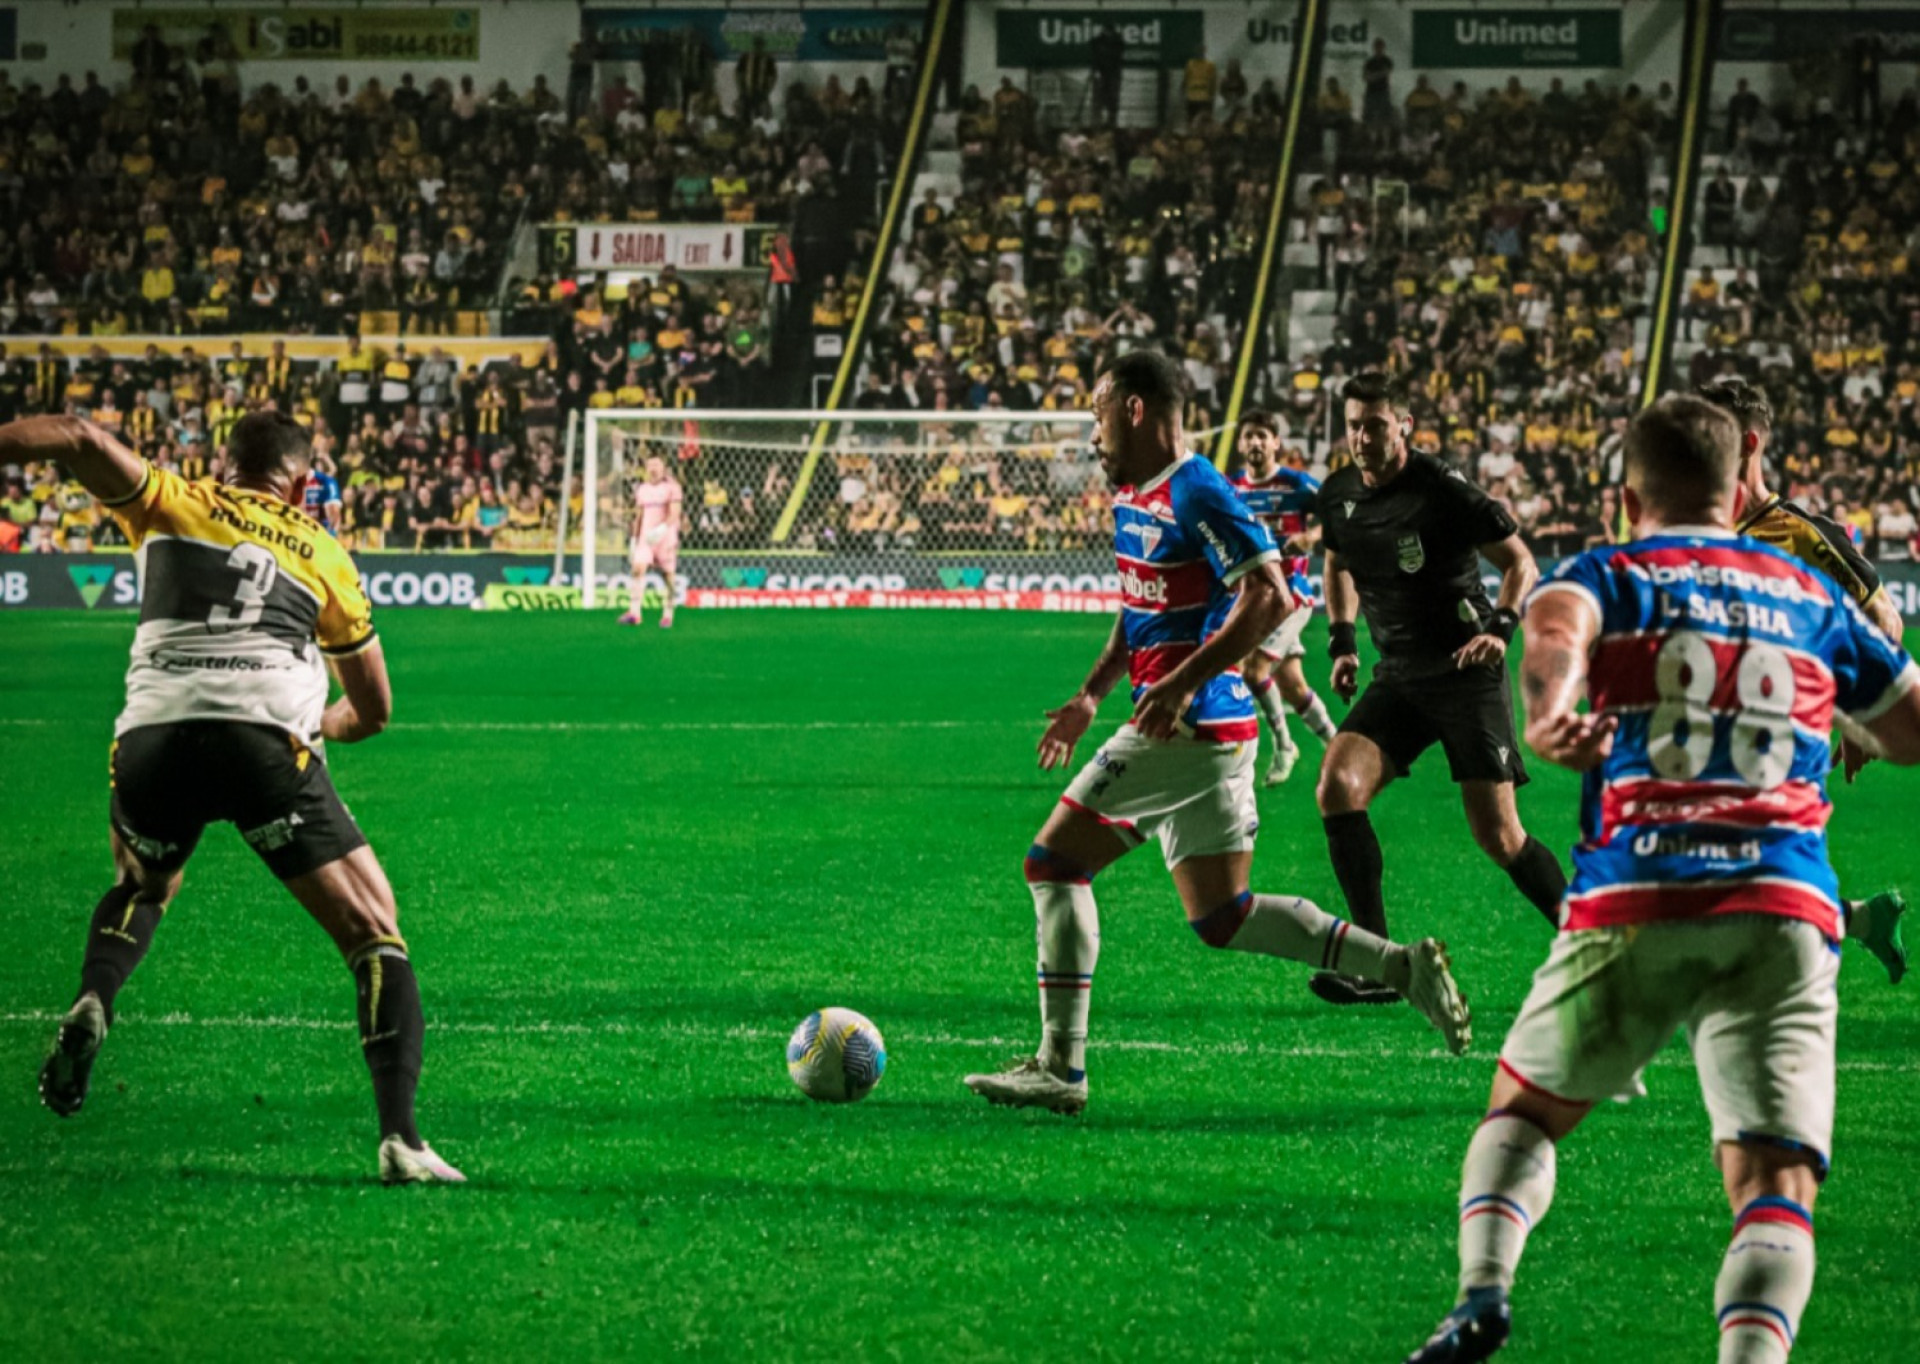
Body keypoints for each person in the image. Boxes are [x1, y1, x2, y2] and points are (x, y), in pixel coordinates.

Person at [1403, 395, 1920, 1364]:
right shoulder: (1809, 594)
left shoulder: (1610, 570)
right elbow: (1910, 727)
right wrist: (1832, 719)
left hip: (1639, 886)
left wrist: (1553, 711)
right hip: (1784, 903)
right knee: (1773, 1180)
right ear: (1738, 485)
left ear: (1624, 493)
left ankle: (1483, 1290)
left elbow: (1554, 631)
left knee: (1524, 1114)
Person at [961, 352, 1470, 1117]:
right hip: (1211, 731)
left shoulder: (1199, 488)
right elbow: (1138, 610)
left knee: (1054, 864)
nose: (1092, 436)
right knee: (1223, 917)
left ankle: (1060, 1067)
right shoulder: (1139, 494)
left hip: (1187, 726)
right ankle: (1402, 968)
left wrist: (1180, 682)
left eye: (1098, 415)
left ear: (1134, 410)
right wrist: (1089, 694)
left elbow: (1266, 598)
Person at [14, 410, 461, 1185]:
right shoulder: (322, 550)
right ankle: (401, 1140)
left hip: (152, 741)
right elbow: (376, 710)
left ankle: (95, 995)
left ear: (226, 467)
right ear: (299, 481)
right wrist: (316, 725)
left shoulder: (170, 499)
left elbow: (80, 435)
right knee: (374, 933)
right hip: (263, 744)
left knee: (142, 882)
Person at [1313, 370, 1566, 1006]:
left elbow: (1521, 562)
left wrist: (1502, 630)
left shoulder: (1444, 489)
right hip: (1398, 676)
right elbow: (1337, 560)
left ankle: (1588, 948)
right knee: (1337, 788)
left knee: (1499, 836)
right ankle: (1376, 961)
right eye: (1353, 426)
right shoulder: (1339, 494)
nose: (1363, 438)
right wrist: (1342, 641)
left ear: (1404, 425)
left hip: (1464, 674)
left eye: (1375, 425)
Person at [1696, 376, 1908, 981]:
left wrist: (1860, 718)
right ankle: (1864, 921)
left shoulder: (1803, 534)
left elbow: (1884, 618)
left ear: (1749, 444)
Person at [1231, 410, 1338, 784]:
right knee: (1292, 685)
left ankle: (1283, 746)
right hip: (1254, 599)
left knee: (1253, 670)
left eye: (1263, 435)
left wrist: (1312, 537)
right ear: (1240, 444)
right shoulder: (1232, 490)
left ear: (1276, 442)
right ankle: (1337, 746)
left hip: (1291, 597)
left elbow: (1339, 513)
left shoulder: (1296, 485)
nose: (1256, 442)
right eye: (1249, 436)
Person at [620, 453, 682, 629]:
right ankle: (634, 613)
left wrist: (662, 529)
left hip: (665, 538)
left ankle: (668, 613)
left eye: (657, 464)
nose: (653, 468)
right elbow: (639, 515)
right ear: (646, 469)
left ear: (663, 467)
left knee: (668, 575)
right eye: (650, 465)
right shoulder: (643, 489)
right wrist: (634, 538)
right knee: (637, 569)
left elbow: (675, 513)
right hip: (646, 538)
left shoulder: (673, 488)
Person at [304, 446, 342, 535]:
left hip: (320, 521)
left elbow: (333, 470)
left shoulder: (326, 480)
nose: (319, 466)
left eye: (321, 464)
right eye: (318, 464)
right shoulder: (307, 479)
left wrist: (325, 457)